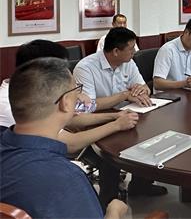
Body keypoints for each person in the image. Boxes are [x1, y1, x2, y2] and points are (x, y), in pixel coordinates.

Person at [0, 57, 129, 219]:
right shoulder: (65, 178)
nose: (79, 96)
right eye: (77, 90)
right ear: (65, 102)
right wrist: (114, 211)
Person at [1, 40, 139, 153]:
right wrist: (116, 125)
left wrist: (115, 116)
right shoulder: (15, 104)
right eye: (62, 69)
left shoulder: (36, 91)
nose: (67, 73)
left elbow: (73, 119)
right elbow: (70, 144)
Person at [74, 28, 165, 198]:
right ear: (116, 51)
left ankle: (140, 186)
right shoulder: (86, 68)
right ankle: (109, 199)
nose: (134, 52)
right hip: (97, 120)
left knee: (151, 134)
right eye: (131, 49)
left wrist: (142, 90)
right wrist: (124, 95)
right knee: (112, 152)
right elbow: (87, 107)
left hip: (127, 113)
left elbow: (144, 87)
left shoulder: (128, 62)